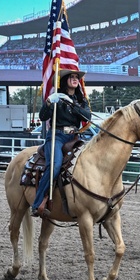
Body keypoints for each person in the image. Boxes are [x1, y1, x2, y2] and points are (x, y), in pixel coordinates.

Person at [31, 68, 91, 217]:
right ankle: (37, 202)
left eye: (77, 77)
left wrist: (73, 104)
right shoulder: (56, 99)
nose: (75, 79)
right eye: (71, 77)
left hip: (74, 138)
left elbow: (87, 117)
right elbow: (43, 116)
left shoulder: (80, 100)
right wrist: (49, 102)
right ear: (65, 81)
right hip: (57, 136)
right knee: (55, 165)